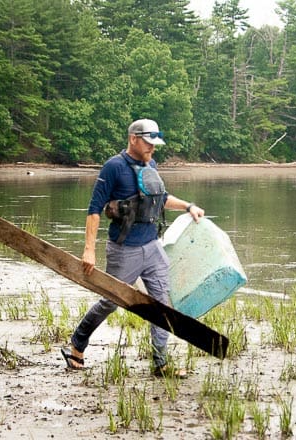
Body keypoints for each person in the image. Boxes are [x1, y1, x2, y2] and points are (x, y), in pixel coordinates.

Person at [60, 118, 204, 377]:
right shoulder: (113, 167)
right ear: (133, 139)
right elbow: (94, 210)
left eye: (155, 144)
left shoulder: (152, 165)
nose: (153, 148)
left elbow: (160, 199)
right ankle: (77, 344)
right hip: (124, 250)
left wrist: (188, 206)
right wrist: (89, 249)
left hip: (153, 247)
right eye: (148, 143)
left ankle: (161, 364)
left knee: (162, 304)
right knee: (111, 302)